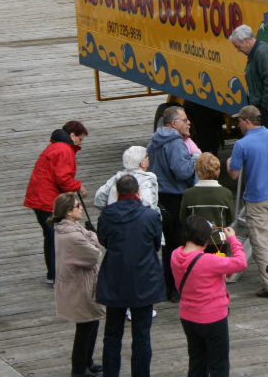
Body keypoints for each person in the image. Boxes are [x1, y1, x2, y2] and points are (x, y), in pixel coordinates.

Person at [95, 176, 165, 377]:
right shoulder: (150, 216)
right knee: (142, 335)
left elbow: (104, 240)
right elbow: (155, 244)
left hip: (115, 278)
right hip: (144, 279)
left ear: (117, 193)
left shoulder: (107, 215)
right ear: (138, 192)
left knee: (112, 333)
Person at [172, 215, 247, 377]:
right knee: (218, 366)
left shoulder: (175, 255)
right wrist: (233, 239)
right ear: (204, 238)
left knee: (197, 363)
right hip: (212, 319)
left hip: (187, 316)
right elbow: (241, 263)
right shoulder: (209, 261)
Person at [228, 105, 268, 297]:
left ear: (247, 121)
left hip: (256, 200)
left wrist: (229, 162)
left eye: (238, 121)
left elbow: (234, 175)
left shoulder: (241, 145)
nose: (238, 125)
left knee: (261, 242)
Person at [25, 121, 89, 285]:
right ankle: (57, 277)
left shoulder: (54, 147)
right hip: (48, 201)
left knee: (50, 237)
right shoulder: (64, 150)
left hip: (38, 198)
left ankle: (52, 275)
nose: (80, 143)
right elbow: (63, 180)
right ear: (72, 136)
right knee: (57, 238)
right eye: (80, 139)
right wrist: (78, 186)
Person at [147, 105, 197, 302]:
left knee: (166, 245)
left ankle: (166, 286)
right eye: (185, 120)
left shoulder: (154, 141)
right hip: (176, 200)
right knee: (179, 245)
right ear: (174, 123)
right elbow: (182, 172)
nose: (188, 123)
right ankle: (178, 288)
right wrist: (194, 158)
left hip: (160, 199)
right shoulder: (175, 143)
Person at [53, 191, 105, 377]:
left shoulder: (68, 230)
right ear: (68, 211)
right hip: (80, 287)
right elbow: (94, 255)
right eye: (77, 206)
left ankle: (87, 362)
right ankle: (78, 369)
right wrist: (93, 238)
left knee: (92, 323)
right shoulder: (73, 236)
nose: (81, 208)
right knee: (85, 327)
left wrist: (91, 238)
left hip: (80, 284)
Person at [229, 24, 268, 130]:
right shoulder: (256, 53)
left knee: (265, 139)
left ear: (246, 40)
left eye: (238, 46)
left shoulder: (263, 53)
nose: (238, 50)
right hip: (263, 107)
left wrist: (265, 106)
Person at [180, 153, 235, 234]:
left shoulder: (188, 193)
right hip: (219, 239)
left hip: (195, 239)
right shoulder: (226, 193)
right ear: (217, 170)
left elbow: (183, 219)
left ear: (197, 170)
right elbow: (230, 218)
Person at [95, 146, 160, 212]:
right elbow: (149, 204)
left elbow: (99, 197)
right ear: (142, 163)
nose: (148, 157)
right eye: (146, 156)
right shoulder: (147, 180)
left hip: (116, 217)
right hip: (137, 219)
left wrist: (110, 212)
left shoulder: (117, 177)